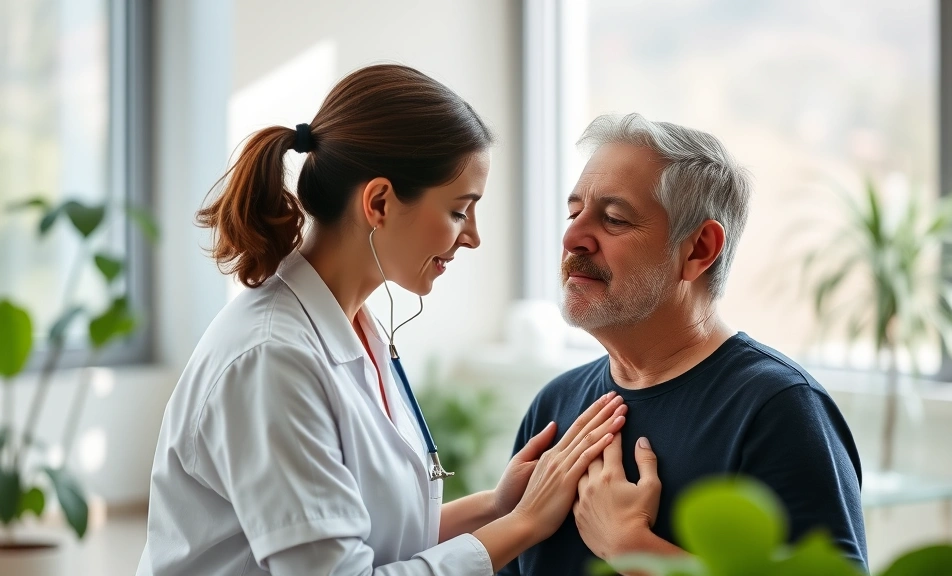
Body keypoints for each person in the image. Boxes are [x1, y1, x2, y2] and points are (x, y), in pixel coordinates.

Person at [136, 64, 629, 576]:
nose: (472, 236)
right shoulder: (272, 359)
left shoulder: (354, 327)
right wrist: (525, 524)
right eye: (460, 211)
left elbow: (374, 535)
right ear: (378, 203)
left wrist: (497, 504)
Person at [499, 114, 868, 575]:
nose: (572, 237)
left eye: (614, 219)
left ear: (698, 250)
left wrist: (633, 549)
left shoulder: (779, 410)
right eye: (574, 213)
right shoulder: (555, 405)